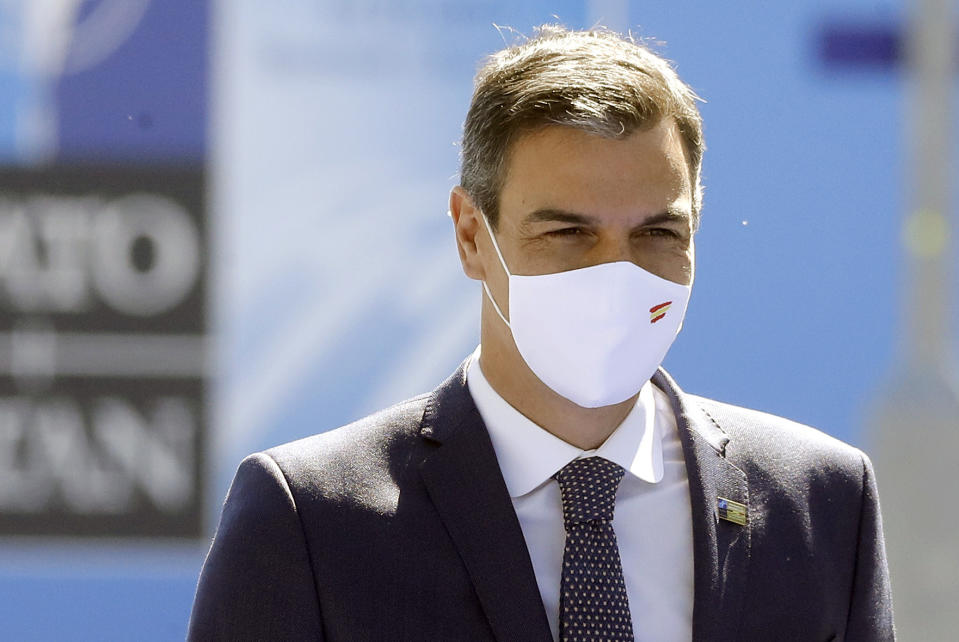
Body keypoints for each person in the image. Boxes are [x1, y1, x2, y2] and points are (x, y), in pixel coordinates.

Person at [189, 25, 894, 641]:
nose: (616, 271)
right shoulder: (311, 519)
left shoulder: (822, 503)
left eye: (656, 232)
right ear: (471, 235)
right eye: (567, 232)